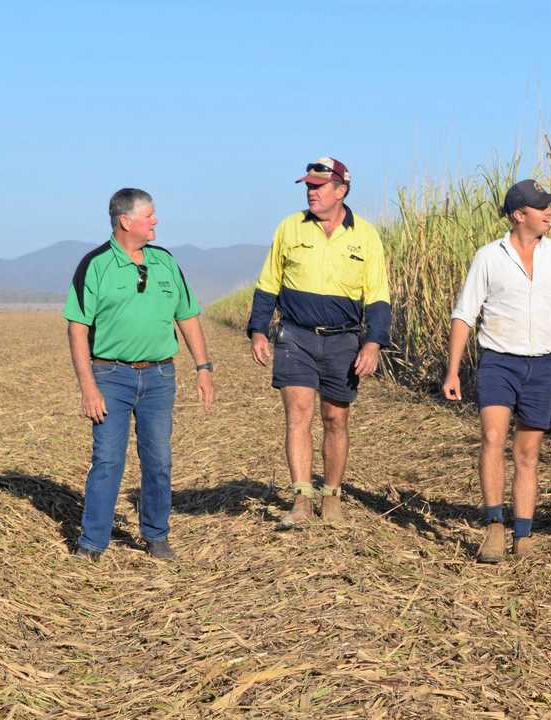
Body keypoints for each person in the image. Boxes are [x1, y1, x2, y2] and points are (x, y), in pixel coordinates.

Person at [443, 179, 551, 563]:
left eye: (549, 205)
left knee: (528, 453)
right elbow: (465, 314)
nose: (549, 211)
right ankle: (495, 525)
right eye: (540, 206)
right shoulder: (489, 257)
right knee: (493, 438)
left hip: (544, 365)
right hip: (498, 360)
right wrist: (452, 371)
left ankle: (523, 534)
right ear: (518, 215)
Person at [64, 188, 215, 561]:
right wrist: (88, 387)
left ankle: (156, 535)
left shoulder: (165, 262)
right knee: (108, 460)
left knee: (159, 460)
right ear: (125, 221)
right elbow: (77, 328)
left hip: (160, 378)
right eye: (150, 215)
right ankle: (92, 543)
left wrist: (204, 367)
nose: (156, 221)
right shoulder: (95, 265)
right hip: (111, 377)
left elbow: (188, 316)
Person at [247, 157, 391, 529]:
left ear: (341, 190)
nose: (311, 193)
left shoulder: (365, 235)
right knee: (298, 415)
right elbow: (268, 283)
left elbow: (377, 296)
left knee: (335, 418)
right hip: (295, 335)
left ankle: (331, 496)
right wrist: (258, 330)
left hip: (342, 340)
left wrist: (373, 343)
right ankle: (300, 499)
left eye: (319, 187)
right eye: (308, 187)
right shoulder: (290, 228)